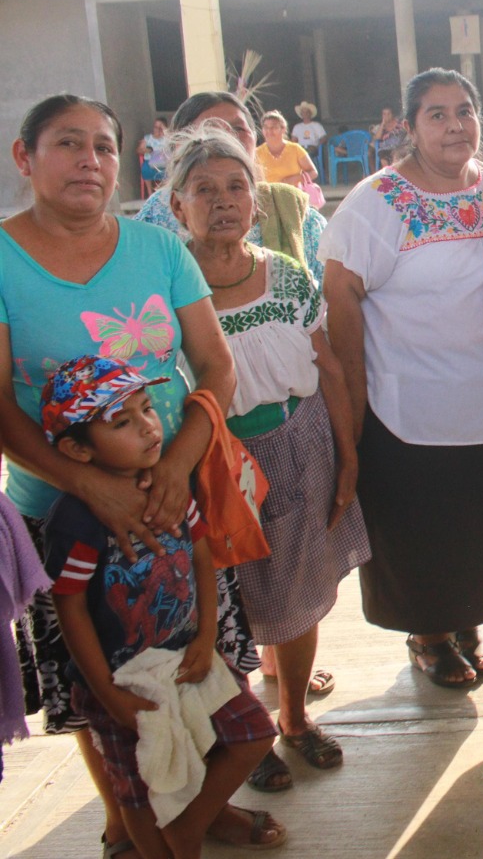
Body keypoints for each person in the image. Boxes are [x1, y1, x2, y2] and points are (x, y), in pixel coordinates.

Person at [1, 94, 280, 852]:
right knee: (107, 696)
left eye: (103, 145)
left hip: (171, 495)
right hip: (61, 510)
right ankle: (132, 825)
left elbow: (215, 365)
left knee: (202, 669)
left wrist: (181, 462)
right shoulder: (1, 258)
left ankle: (198, 811)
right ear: (26, 158)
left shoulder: (158, 250)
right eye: (67, 143)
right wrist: (88, 483)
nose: (89, 160)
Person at [166, 123, 370, 788]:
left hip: (297, 445)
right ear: (178, 208)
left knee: (300, 594)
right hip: (216, 465)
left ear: (256, 200)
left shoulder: (281, 273)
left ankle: (294, 718)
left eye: (236, 187)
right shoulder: (167, 289)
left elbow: (329, 367)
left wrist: (347, 457)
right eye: (205, 190)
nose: (223, 201)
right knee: (228, 607)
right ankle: (245, 731)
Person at [322, 68, 483, 689]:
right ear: (409, 128)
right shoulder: (375, 202)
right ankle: (428, 635)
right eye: (436, 114)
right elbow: (341, 296)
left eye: (465, 110)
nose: (454, 125)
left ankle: (466, 623)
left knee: (479, 522)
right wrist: (354, 405)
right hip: (404, 404)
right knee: (420, 526)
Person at [41, 356, 282, 859]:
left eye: (147, 409)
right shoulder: (78, 520)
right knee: (139, 790)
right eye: (122, 422)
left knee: (253, 733)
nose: (149, 427)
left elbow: (200, 557)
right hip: (121, 681)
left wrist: (205, 636)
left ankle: (190, 828)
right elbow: (72, 610)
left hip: (186, 657)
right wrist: (107, 694)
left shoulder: (171, 483)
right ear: (75, 451)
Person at [138, 91, 328, 285]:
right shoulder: (157, 213)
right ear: (178, 144)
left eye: (238, 129)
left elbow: (327, 292)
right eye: (211, 130)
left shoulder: (293, 212)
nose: (228, 139)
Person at [256, 111, 319, 192]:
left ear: (283, 129)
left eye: (274, 127)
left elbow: (313, 172)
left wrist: (295, 179)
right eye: (266, 127)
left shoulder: (295, 149)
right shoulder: (257, 153)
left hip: (294, 196)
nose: (269, 131)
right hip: (268, 199)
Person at [138, 118, 169, 198]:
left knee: (168, 169)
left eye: (160, 128)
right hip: (150, 161)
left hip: (164, 161)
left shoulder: (167, 138)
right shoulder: (148, 138)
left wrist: (165, 131)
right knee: (146, 168)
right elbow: (139, 150)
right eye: (156, 127)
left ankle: (164, 193)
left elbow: (173, 141)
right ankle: (150, 194)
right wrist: (147, 149)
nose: (157, 130)